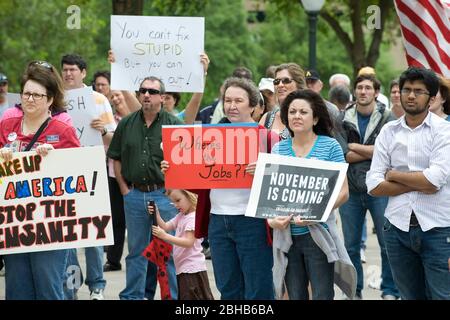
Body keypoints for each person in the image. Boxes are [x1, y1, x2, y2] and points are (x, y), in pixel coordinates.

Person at [162, 77, 276, 300]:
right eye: (227, 100)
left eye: (239, 101)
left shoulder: (268, 138)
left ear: (253, 105)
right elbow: (197, 179)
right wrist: (172, 169)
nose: (232, 106)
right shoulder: (209, 137)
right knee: (228, 287)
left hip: (252, 221)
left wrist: (265, 170)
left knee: (258, 287)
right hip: (218, 221)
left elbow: (280, 181)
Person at [367, 67, 450, 300]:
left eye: (418, 91)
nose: (411, 95)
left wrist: (393, 175)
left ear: (432, 98)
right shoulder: (388, 131)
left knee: (441, 295)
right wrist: (419, 181)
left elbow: (435, 179)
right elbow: (373, 184)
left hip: (438, 229)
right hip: (397, 228)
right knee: (409, 296)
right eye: (406, 90)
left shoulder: (444, 131)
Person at [0, 61, 80, 299]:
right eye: (26, 93)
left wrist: (56, 160)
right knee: (17, 288)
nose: (30, 99)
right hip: (15, 225)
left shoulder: (63, 129)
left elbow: (82, 173)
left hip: (52, 226)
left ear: (50, 99)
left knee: (49, 287)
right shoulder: (6, 124)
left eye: (37, 95)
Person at [269, 89, 355, 300]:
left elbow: (343, 192)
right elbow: (270, 198)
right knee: (295, 295)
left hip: (319, 235)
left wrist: (317, 212)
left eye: (303, 112)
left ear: (315, 117)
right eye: (292, 112)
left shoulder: (330, 146)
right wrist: (272, 221)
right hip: (287, 237)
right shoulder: (278, 150)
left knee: (322, 295)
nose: (296, 116)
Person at [340, 73, 399, 300]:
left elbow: (388, 153)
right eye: (360, 87)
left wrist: (357, 147)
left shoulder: (388, 117)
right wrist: (370, 150)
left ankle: (390, 291)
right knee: (350, 246)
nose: (363, 91)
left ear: (376, 92)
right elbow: (342, 154)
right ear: (355, 91)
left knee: (387, 245)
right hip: (351, 190)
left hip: (380, 190)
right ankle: (353, 291)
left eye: (368, 88)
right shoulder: (343, 117)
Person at [61, 53, 115, 300]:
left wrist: (102, 129)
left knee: (94, 231)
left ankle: (97, 285)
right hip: (63, 172)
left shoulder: (99, 100)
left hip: (93, 170)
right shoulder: (55, 98)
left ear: (83, 72)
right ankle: (70, 284)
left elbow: (113, 140)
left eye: (73, 69)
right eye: (65, 69)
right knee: (66, 232)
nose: (68, 74)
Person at [148, 189, 214, 300]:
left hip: (192, 268)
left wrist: (164, 236)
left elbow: (189, 242)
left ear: (189, 195)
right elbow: (165, 226)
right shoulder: (182, 215)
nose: (175, 205)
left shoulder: (193, 218)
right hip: (184, 268)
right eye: (173, 202)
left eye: (178, 200)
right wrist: (156, 213)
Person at [103, 90, 134, 272]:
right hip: (114, 173)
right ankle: (113, 260)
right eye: (112, 96)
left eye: (118, 95)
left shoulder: (138, 117)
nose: (115, 99)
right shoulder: (109, 119)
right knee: (116, 219)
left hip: (136, 174)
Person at [259, 63, 307, 140]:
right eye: (277, 81)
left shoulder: (309, 117)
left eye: (286, 80)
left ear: (299, 85)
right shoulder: (267, 118)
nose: (280, 85)